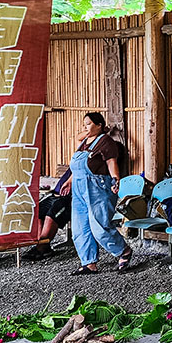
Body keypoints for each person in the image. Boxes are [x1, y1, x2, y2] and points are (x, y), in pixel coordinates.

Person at [61, 112, 131, 275]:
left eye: (88, 124)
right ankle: (89, 263)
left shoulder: (106, 142)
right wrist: (69, 181)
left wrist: (116, 180)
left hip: (97, 187)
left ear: (99, 125)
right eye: (84, 124)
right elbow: (77, 167)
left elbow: (111, 163)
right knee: (80, 227)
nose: (85, 127)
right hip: (78, 187)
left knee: (99, 226)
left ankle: (124, 251)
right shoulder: (84, 142)